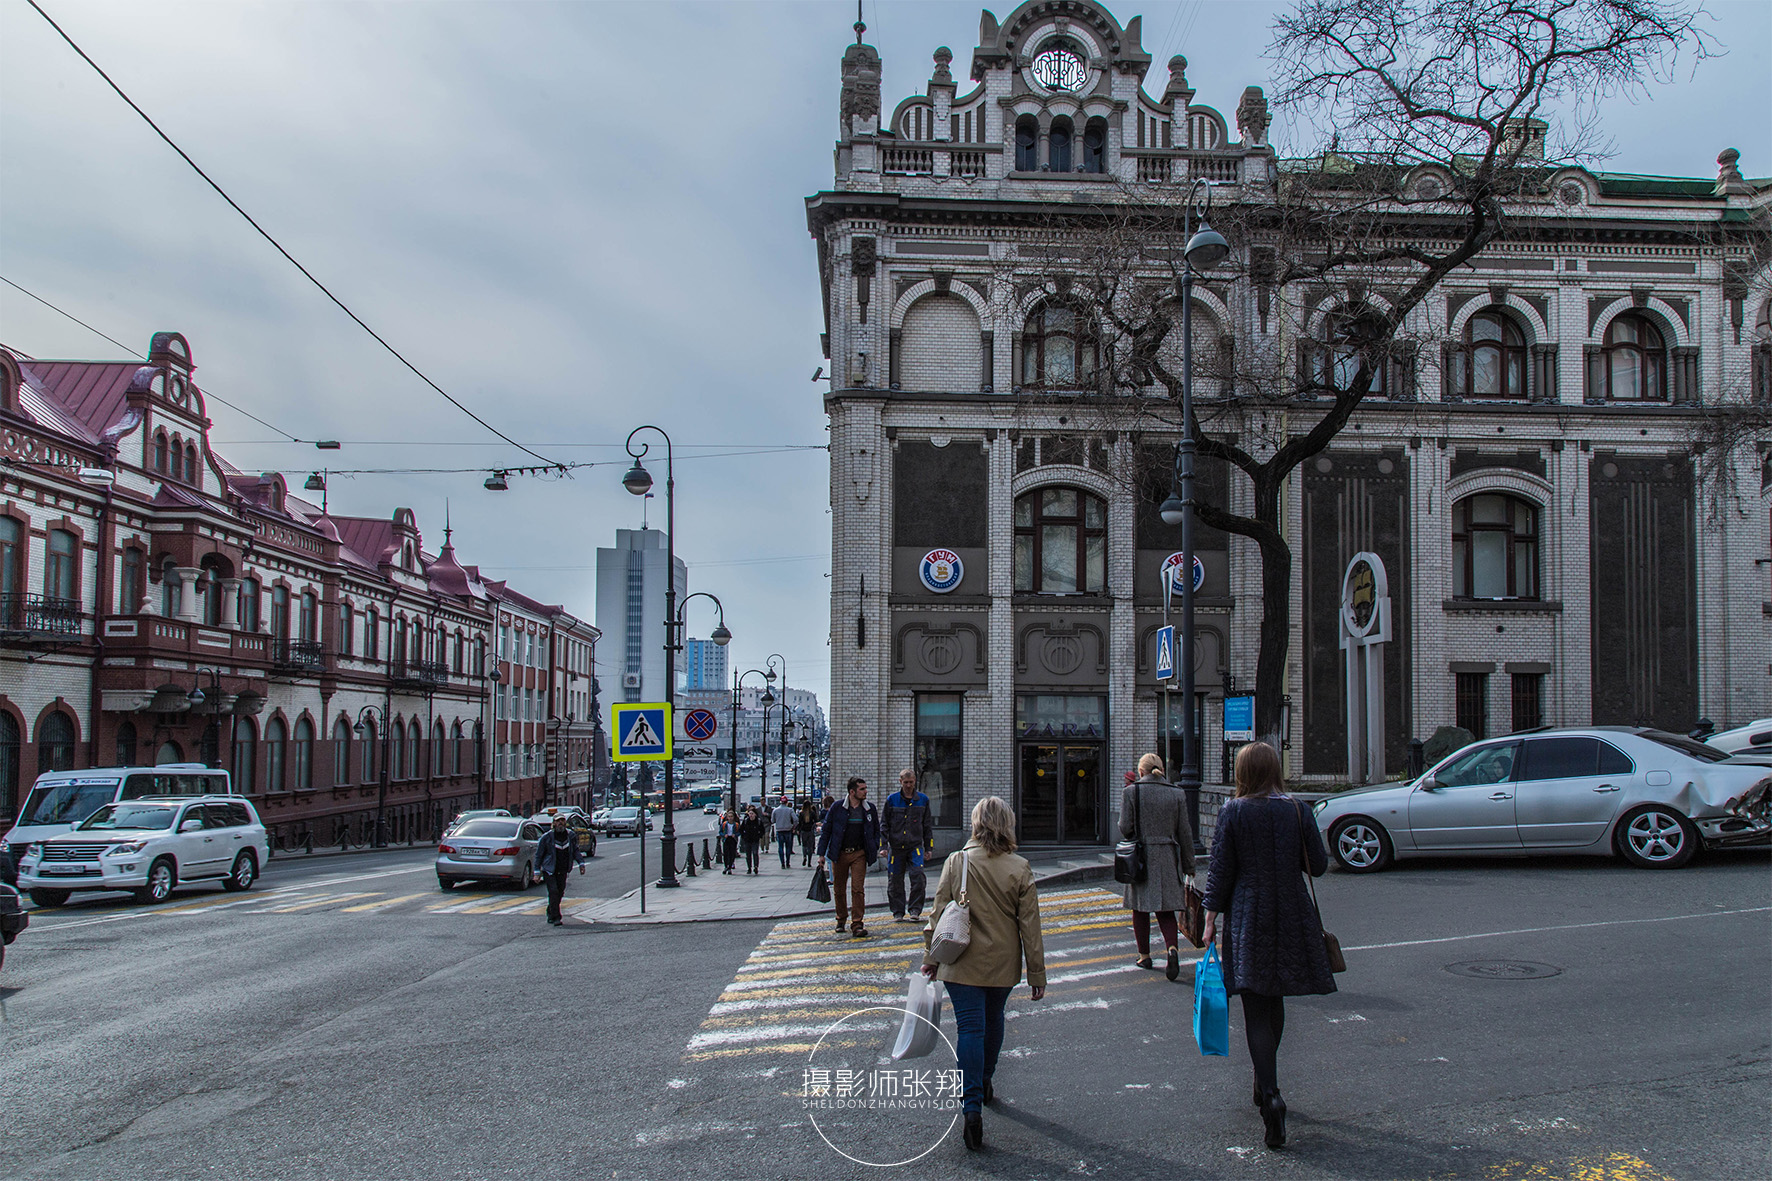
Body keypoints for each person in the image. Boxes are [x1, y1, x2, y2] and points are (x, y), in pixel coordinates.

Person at [1202, 741, 1337, 1151]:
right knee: (1275, 999)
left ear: (1243, 774)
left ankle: (1271, 1096)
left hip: (1249, 912)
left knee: (1256, 1007)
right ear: (1275, 770)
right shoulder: (1298, 809)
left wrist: (1209, 916)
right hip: (1292, 910)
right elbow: (1319, 864)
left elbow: (1221, 869)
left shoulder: (1234, 811)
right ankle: (1264, 1087)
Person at [921, 796, 1046, 1152]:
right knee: (994, 1022)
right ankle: (986, 1079)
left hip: (960, 962)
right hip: (1004, 964)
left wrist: (930, 956)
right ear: (1007, 824)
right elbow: (1030, 927)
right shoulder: (1019, 867)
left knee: (970, 1029)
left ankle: (971, 1107)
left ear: (976, 824)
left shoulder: (956, 861)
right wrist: (1037, 974)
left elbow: (938, 914)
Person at [1118, 753, 1196, 980]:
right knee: (1165, 910)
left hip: (1140, 858)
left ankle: (1144, 955)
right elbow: (1185, 833)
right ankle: (1172, 948)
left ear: (1140, 772)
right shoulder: (1177, 793)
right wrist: (1189, 866)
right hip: (1167, 856)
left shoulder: (1132, 792)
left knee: (1140, 909)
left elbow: (1125, 828)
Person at [815, 776, 879, 938]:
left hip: (859, 854)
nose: (866, 792)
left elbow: (876, 831)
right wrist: (821, 854)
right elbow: (827, 831)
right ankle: (841, 919)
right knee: (839, 889)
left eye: (865, 788)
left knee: (858, 889)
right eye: (862, 789)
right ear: (852, 792)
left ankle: (857, 924)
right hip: (840, 853)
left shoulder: (869, 809)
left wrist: (874, 847)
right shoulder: (837, 808)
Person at [883, 768, 934, 923]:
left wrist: (929, 848)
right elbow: (884, 824)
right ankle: (898, 911)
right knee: (895, 880)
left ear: (915, 782)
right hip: (896, 847)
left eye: (911, 782)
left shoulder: (923, 800)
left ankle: (915, 909)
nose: (908, 785)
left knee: (918, 876)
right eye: (905, 782)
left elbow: (927, 826)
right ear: (900, 782)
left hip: (915, 846)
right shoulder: (892, 800)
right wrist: (883, 846)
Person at [533, 813, 586, 926]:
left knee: (560, 892)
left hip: (563, 869)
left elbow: (575, 850)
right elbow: (539, 855)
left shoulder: (570, 836)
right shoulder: (546, 837)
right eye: (558, 821)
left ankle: (551, 911)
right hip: (550, 869)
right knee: (553, 891)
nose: (560, 823)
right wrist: (537, 872)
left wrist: (581, 863)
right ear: (554, 823)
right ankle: (557, 917)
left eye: (562, 820)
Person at [772, 796, 798, 869]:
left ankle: (782, 863)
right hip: (788, 830)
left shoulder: (775, 810)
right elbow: (796, 819)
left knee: (780, 847)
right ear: (786, 802)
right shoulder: (790, 810)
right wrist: (793, 826)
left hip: (779, 830)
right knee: (788, 847)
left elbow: (772, 820)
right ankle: (788, 862)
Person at [739, 805, 766, 874]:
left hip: (755, 840)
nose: (751, 815)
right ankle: (749, 868)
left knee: (755, 853)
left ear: (755, 814)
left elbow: (762, 830)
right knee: (748, 855)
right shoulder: (746, 821)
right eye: (750, 813)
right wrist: (743, 836)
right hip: (747, 840)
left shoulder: (758, 821)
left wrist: (759, 836)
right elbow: (741, 830)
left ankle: (756, 866)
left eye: (752, 814)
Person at [796, 800, 819, 866]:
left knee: (804, 845)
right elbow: (816, 821)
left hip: (803, 830)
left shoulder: (801, 813)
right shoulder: (812, 813)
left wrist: (798, 830)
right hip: (810, 830)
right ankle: (809, 861)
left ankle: (804, 856)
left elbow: (799, 823)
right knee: (810, 846)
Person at [719, 810, 739, 874]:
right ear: (727, 817)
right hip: (726, 839)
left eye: (731, 816)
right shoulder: (724, 824)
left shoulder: (736, 824)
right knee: (725, 853)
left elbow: (739, 832)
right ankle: (726, 866)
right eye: (729, 816)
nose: (730, 818)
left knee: (732, 853)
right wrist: (724, 835)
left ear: (733, 817)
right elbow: (720, 832)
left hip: (733, 839)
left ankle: (730, 866)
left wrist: (735, 835)